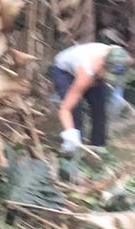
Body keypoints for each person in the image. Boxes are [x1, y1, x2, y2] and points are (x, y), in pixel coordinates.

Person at [49, 36, 128, 176]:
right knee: (75, 109)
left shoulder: (120, 58)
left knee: (100, 108)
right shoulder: (86, 72)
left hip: (94, 72)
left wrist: (118, 94)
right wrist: (70, 133)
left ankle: (97, 150)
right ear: (102, 65)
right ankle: (75, 156)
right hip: (64, 71)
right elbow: (65, 109)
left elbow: (120, 70)